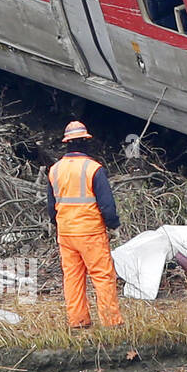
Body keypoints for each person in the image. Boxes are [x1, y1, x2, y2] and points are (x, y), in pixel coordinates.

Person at [46, 121, 122, 329]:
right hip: (90, 233)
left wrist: (61, 225)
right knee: (103, 276)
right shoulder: (94, 169)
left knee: (72, 278)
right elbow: (107, 205)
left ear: (67, 143)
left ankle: (78, 321)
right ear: (86, 142)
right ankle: (111, 322)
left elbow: (51, 208)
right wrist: (113, 225)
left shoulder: (55, 170)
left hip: (66, 235)